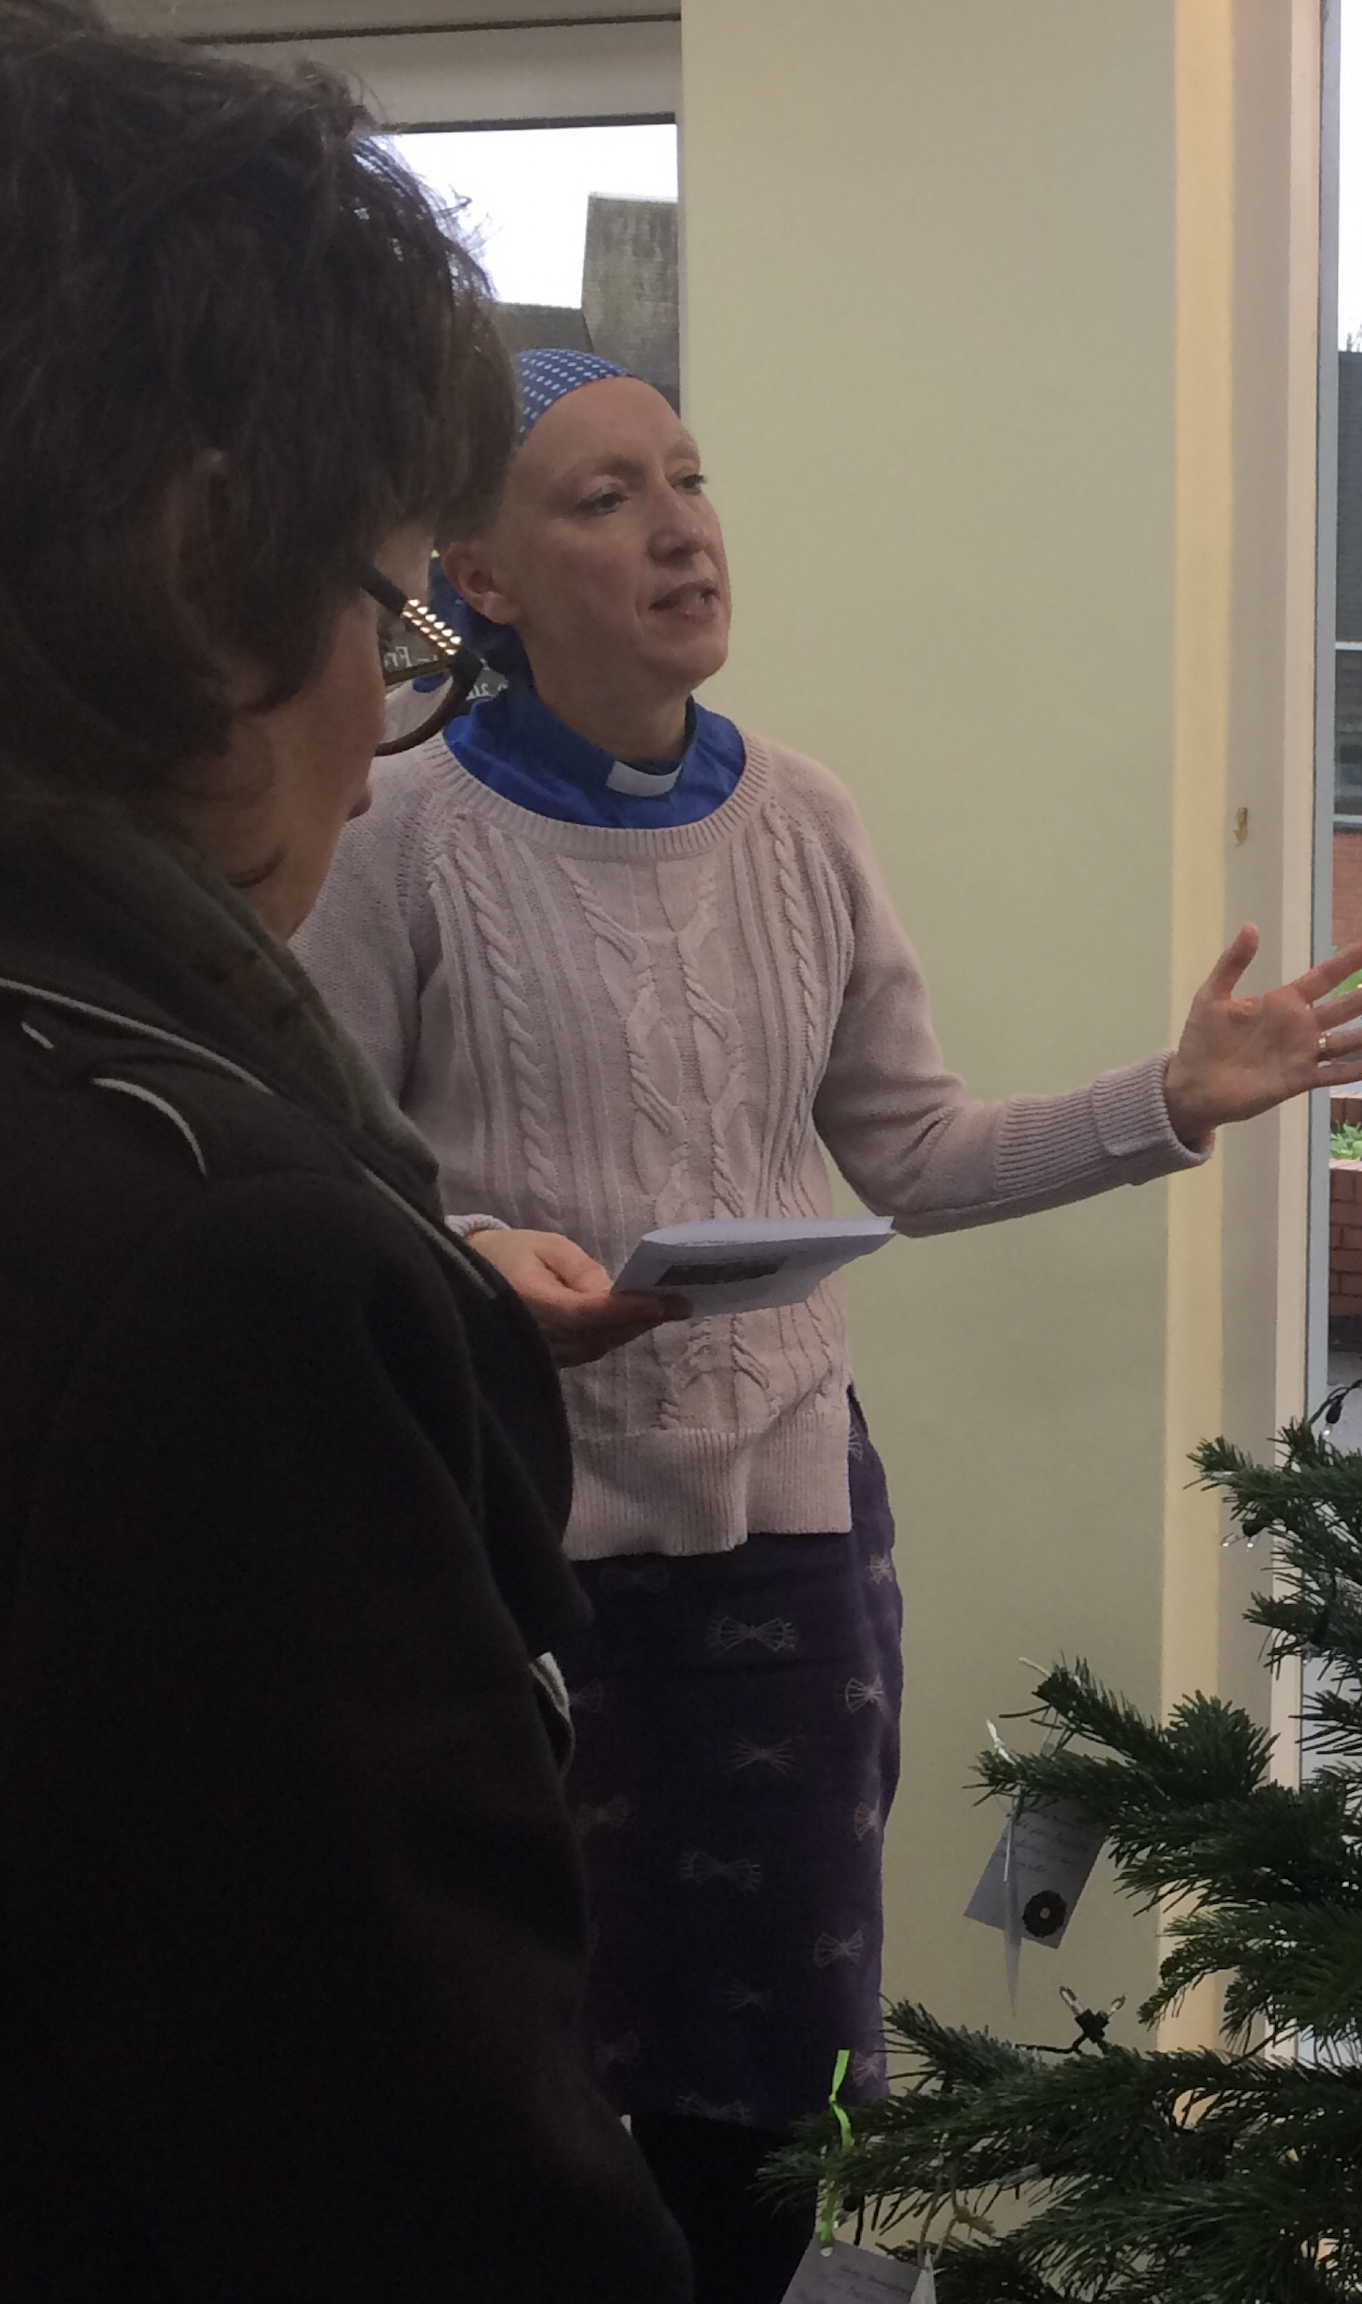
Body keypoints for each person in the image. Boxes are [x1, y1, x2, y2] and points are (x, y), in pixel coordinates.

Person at [295, 348, 1362, 2297]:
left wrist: (1169, 1098)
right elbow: (322, 1177)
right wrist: (470, 1253)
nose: (678, 528)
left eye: (690, 480)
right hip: (513, 1563)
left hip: (792, 1557)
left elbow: (909, 1153)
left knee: (766, 2089)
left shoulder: (802, 819)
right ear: (476, 573)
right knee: (506, 2067)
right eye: (602, 497)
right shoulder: (393, 841)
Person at [0, 12, 691, 2299]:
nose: (382, 748)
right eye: (388, 615)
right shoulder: (237, 1274)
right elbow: (419, 2193)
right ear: (213, 558)